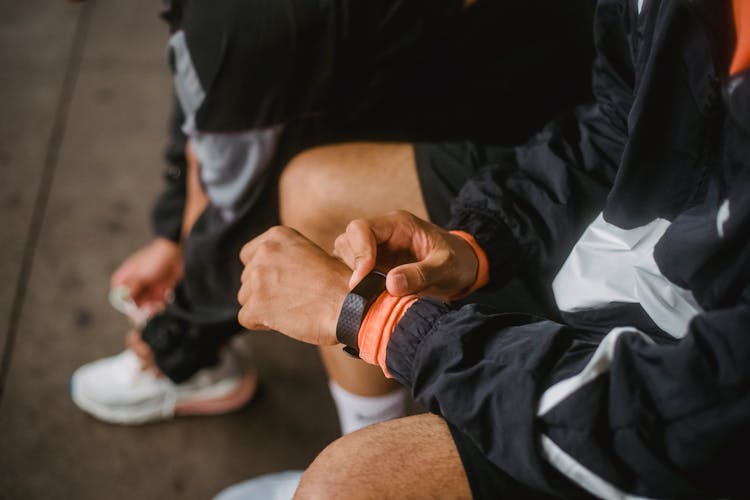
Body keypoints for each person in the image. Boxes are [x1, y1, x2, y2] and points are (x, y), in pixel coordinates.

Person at [236, 0, 750, 497]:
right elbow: (620, 120)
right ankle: (380, 431)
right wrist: (478, 244)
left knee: (342, 486)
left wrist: (378, 321)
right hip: (631, 258)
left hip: (680, 391)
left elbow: (675, 420)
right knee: (316, 191)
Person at [72, 0, 596, 430]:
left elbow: (233, 186)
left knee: (315, 193)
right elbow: (202, 87)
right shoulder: (231, 28)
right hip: (524, 88)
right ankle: (370, 443)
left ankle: (368, 456)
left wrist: (176, 340)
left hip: (563, 128)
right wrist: (173, 237)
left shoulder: (250, 24)